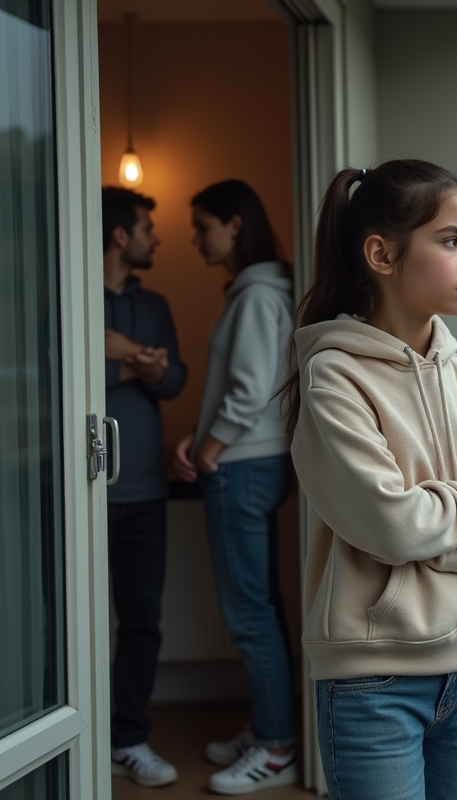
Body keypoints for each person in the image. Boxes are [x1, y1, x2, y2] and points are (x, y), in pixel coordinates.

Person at [283, 160, 457, 800]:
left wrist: (427, 529)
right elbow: (396, 527)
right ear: (382, 253)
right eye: (451, 240)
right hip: (371, 682)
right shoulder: (336, 379)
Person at [171, 180, 297, 794]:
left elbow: (248, 391)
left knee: (249, 615)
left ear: (235, 226)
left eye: (203, 226)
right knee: (260, 607)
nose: (196, 239)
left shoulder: (254, 298)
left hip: (242, 467)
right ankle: (269, 727)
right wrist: (201, 441)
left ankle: (276, 749)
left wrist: (208, 453)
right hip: (255, 463)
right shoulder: (263, 291)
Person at [101, 186, 188, 788]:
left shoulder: (155, 303)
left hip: (147, 493)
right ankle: (71, 740)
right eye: (147, 229)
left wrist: (128, 356)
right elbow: (66, 372)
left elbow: (174, 378)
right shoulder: (67, 293)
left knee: (142, 622)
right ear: (119, 235)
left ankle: (126, 739)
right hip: (79, 495)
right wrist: (136, 365)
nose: (156, 239)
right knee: (64, 622)